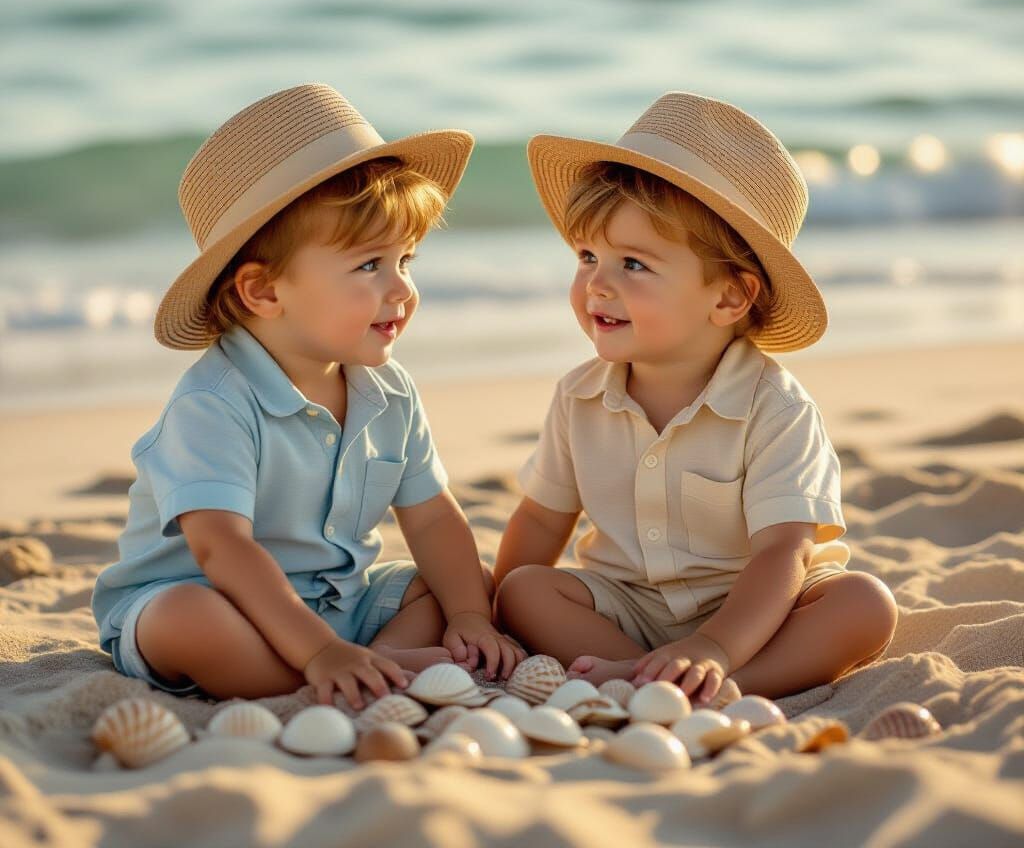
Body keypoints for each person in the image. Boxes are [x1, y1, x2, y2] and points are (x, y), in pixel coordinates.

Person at [92, 83, 524, 708]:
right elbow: (221, 548)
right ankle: (344, 668)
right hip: (219, 600)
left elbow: (431, 515)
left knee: (460, 584)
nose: (402, 289)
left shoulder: (388, 391)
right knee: (184, 619)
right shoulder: (214, 403)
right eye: (370, 265)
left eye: (406, 260)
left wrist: (470, 618)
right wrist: (318, 650)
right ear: (264, 292)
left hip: (337, 603)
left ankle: (372, 662)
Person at [494, 91, 898, 705]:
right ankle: (644, 677)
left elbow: (783, 551)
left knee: (864, 603)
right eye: (588, 256)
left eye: (633, 264)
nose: (596, 283)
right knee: (525, 589)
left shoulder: (775, 408)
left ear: (729, 297)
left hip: (755, 614)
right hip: (628, 607)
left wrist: (715, 647)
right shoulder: (579, 396)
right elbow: (543, 518)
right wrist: (494, 613)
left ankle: (724, 686)